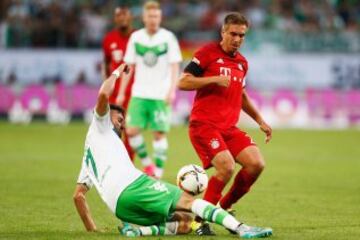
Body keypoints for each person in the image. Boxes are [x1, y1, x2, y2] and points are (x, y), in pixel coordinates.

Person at [73, 63, 273, 238]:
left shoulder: (88, 155)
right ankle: (242, 229)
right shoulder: (100, 126)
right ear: (105, 115)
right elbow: (103, 94)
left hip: (119, 208)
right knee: (189, 202)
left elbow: (78, 196)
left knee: (184, 222)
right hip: (133, 186)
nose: (122, 125)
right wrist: (117, 72)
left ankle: (138, 231)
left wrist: (92, 231)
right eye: (119, 120)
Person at [178, 12, 273, 235]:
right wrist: (213, 79)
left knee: (256, 164)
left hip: (229, 128)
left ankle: (223, 207)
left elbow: (241, 95)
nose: (238, 39)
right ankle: (200, 222)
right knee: (226, 166)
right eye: (233, 34)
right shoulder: (206, 53)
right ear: (223, 32)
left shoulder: (242, 63)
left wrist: (260, 120)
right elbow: (183, 82)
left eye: (242, 35)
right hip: (204, 125)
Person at [121, 1, 182, 178]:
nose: (153, 19)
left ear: (160, 17)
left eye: (156, 16)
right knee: (131, 130)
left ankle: (159, 173)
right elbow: (129, 66)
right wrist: (120, 92)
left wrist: (171, 91)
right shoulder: (136, 37)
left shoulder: (168, 38)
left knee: (159, 133)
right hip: (139, 93)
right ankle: (148, 166)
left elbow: (174, 66)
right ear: (144, 17)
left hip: (160, 95)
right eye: (150, 16)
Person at [102, 6, 135, 160]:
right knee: (112, 132)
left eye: (125, 15)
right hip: (115, 95)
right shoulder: (109, 39)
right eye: (119, 15)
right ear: (115, 19)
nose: (122, 18)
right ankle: (115, 166)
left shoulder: (138, 37)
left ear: (130, 17)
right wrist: (106, 85)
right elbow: (106, 63)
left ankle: (129, 168)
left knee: (131, 132)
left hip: (134, 94)